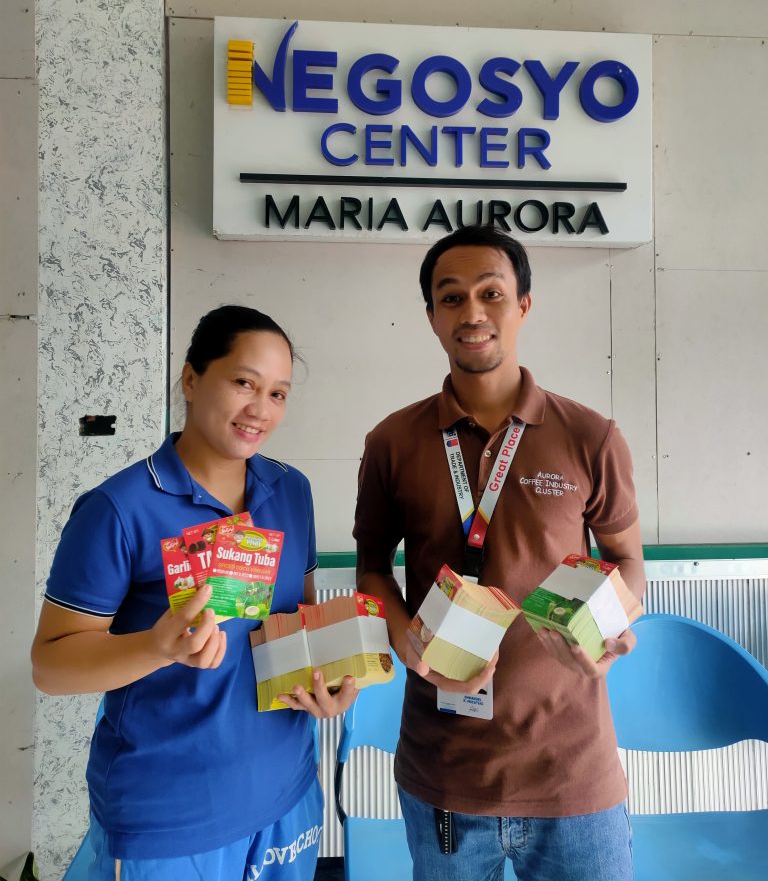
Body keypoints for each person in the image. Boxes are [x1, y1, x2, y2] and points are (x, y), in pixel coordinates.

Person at [354, 226, 645, 881]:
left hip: (573, 773)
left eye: (491, 293)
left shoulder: (591, 436)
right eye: (450, 298)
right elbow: (371, 565)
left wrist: (612, 625)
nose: (473, 313)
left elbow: (628, 561)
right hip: (446, 774)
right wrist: (408, 642)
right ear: (431, 316)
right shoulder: (393, 442)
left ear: (524, 305)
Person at [32, 305, 357, 881]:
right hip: (171, 810)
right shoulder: (118, 509)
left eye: (279, 394)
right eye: (243, 383)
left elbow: (297, 620)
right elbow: (51, 666)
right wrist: (156, 646)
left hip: (286, 787)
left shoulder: (290, 491)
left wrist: (328, 679)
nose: (261, 410)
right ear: (190, 379)